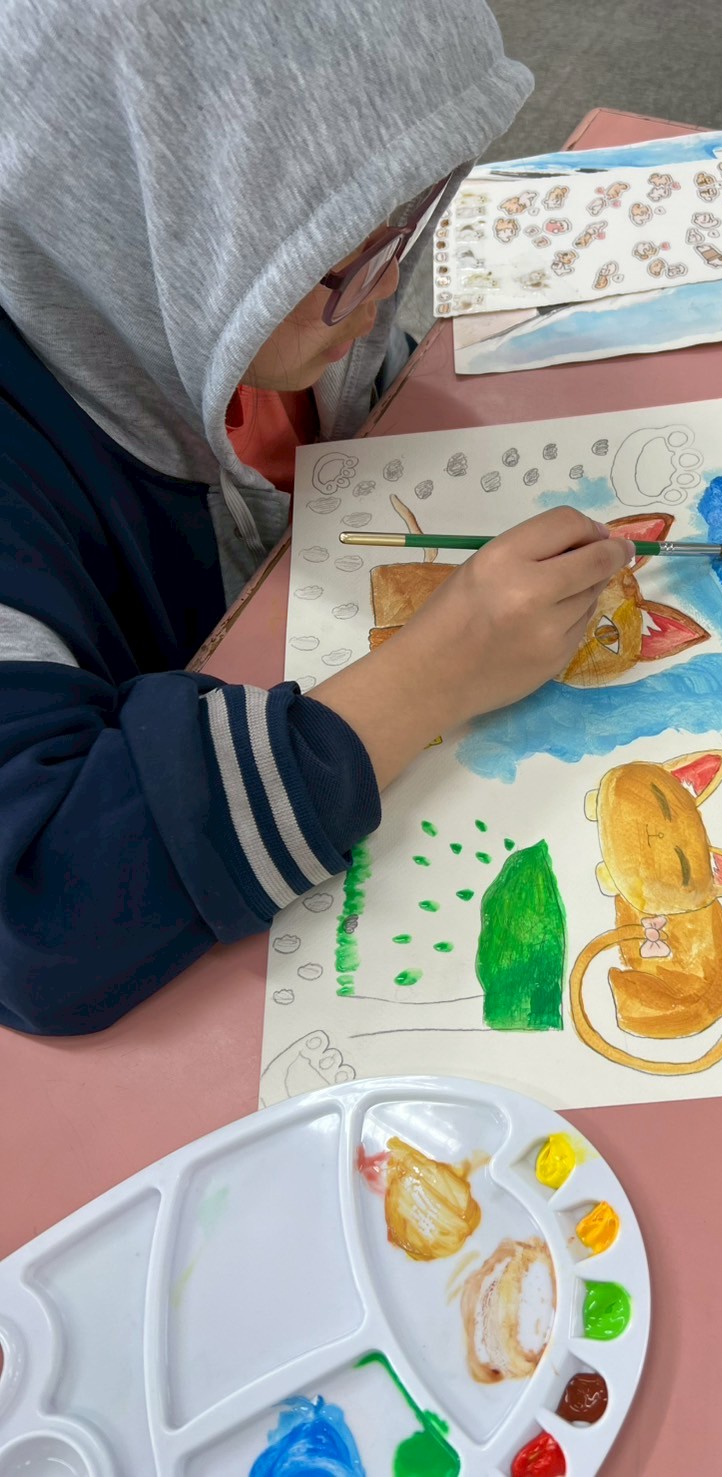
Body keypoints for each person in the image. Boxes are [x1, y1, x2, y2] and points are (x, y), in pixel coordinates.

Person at [0, 0, 633, 1036]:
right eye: (341, 258)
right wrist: (435, 673)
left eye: (408, 225)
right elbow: (38, 919)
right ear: (152, 228)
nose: (386, 294)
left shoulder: (294, 324)